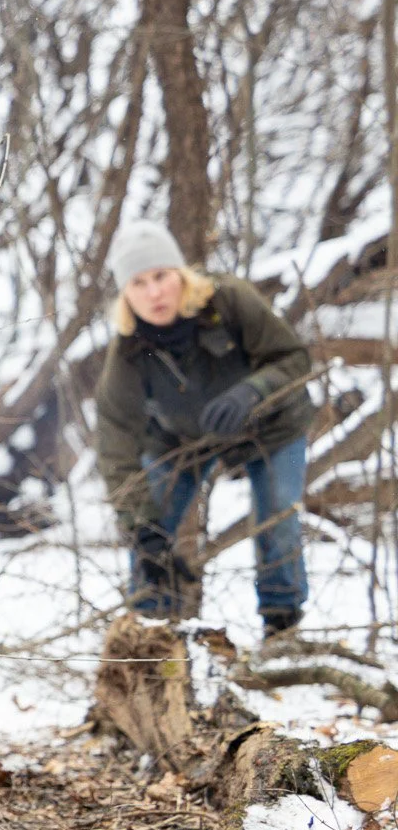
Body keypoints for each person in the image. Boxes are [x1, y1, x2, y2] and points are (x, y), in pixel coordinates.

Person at [94, 219, 315, 639]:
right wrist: (143, 528)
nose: (154, 292)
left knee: (277, 513)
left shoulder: (229, 300)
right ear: (126, 294)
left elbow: (294, 360)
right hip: (181, 439)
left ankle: (282, 625)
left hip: (271, 426)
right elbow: (115, 439)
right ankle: (149, 634)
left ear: (180, 274)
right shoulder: (128, 350)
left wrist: (251, 392)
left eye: (161, 276)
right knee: (148, 531)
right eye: (138, 283)